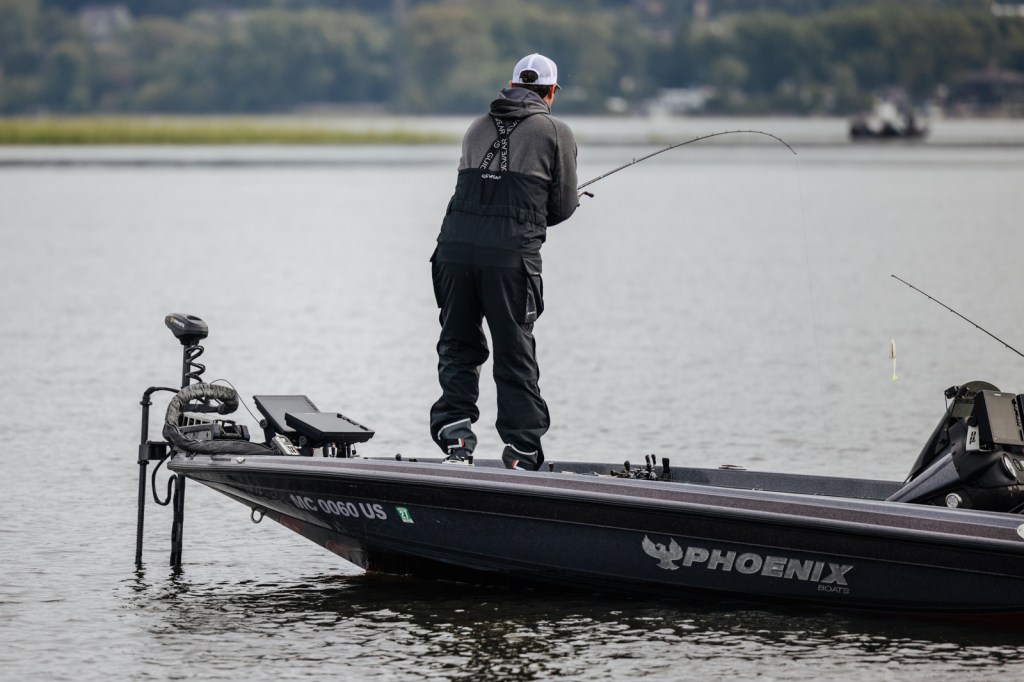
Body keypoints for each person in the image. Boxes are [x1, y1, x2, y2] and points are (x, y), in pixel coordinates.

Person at [429, 53, 579, 471]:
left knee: (458, 346)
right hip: (510, 259)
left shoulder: (476, 127)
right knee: (514, 352)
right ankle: (522, 452)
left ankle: (457, 441)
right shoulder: (556, 131)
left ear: (511, 85)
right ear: (550, 92)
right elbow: (562, 206)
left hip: (453, 252)